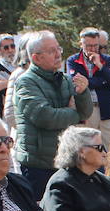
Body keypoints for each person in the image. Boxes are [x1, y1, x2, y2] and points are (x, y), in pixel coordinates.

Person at [14, 30, 93, 199]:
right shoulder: (25, 82)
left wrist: (82, 92)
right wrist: (74, 114)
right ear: (36, 58)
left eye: (58, 49)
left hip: (64, 159)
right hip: (39, 164)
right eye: (51, 51)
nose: (58, 54)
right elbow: (45, 117)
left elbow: (86, 113)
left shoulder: (64, 79)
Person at [67, 28, 110, 139]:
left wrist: (100, 66)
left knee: (109, 148)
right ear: (81, 44)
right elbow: (76, 83)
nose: (93, 49)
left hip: (106, 110)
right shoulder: (73, 61)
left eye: (96, 45)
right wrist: (102, 81)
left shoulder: (107, 60)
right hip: (85, 110)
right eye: (89, 46)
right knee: (86, 146)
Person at [0, 34, 18, 117]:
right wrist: (21, 80)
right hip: (4, 112)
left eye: (12, 46)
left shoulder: (20, 64)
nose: (10, 50)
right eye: (6, 48)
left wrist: (8, 82)